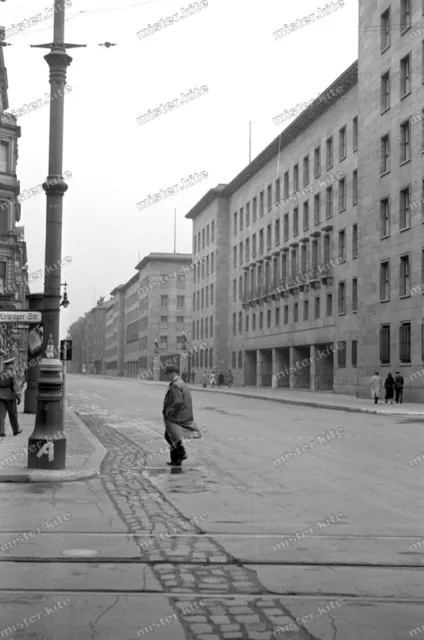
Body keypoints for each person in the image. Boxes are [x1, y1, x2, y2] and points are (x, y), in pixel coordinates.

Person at [162, 364, 201, 466]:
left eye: (168, 374)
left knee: (169, 436)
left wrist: (170, 412)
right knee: (173, 436)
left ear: (173, 373)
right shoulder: (181, 383)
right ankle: (176, 460)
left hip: (177, 417)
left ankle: (181, 453)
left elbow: (178, 401)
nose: (168, 376)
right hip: (182, 415)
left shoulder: (175, 385)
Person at [0, 357, 22, 437]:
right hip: (10, 396)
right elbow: (15, 385)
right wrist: (18, 396)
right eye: (13, 364)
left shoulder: (1, 373)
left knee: (1, 415)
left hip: (1, 396)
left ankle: (1, 431)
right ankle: (16, 430)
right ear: (11, 365)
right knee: (13, 414)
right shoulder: (12, 373)